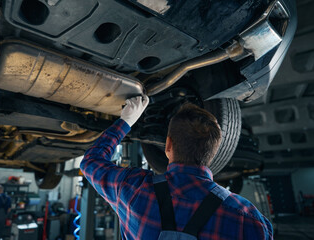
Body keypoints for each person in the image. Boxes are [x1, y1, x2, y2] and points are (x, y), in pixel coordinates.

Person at [80, 96, 273, 239]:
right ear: (213, 152)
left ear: (168, 145)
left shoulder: (135, 188)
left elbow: (90, 162)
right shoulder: (250, 221)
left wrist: (126, 121)